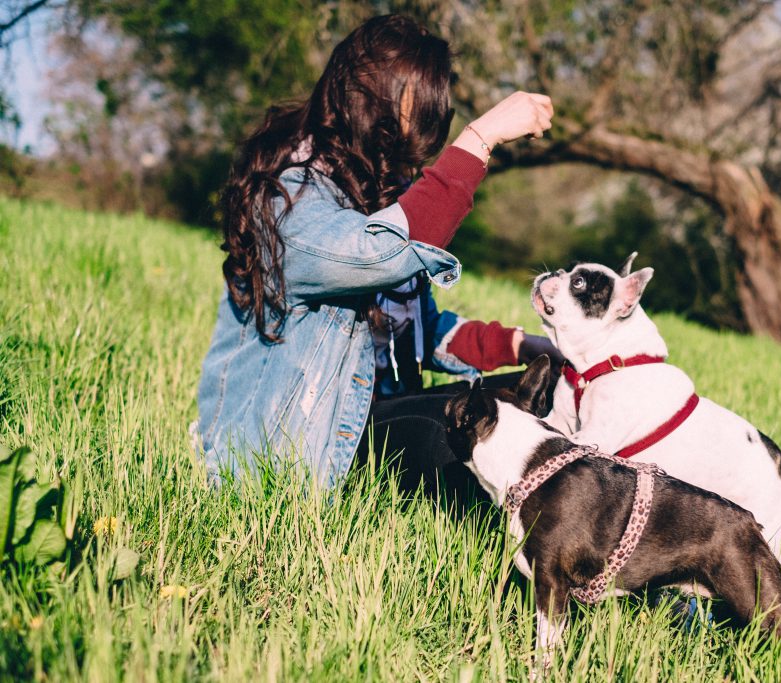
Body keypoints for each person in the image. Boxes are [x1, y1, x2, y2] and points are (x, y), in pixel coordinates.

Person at [195, 14, 554, 486]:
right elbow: (379, 253)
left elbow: (416, 328)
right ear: (369, 105)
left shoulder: (375, 190)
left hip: (365, 416)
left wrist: (518, 346)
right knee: (449, 436)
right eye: (411, 118)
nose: (414, 146)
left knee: (520, 404)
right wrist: (479, 139)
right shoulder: (291, 196)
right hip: (291, 451)